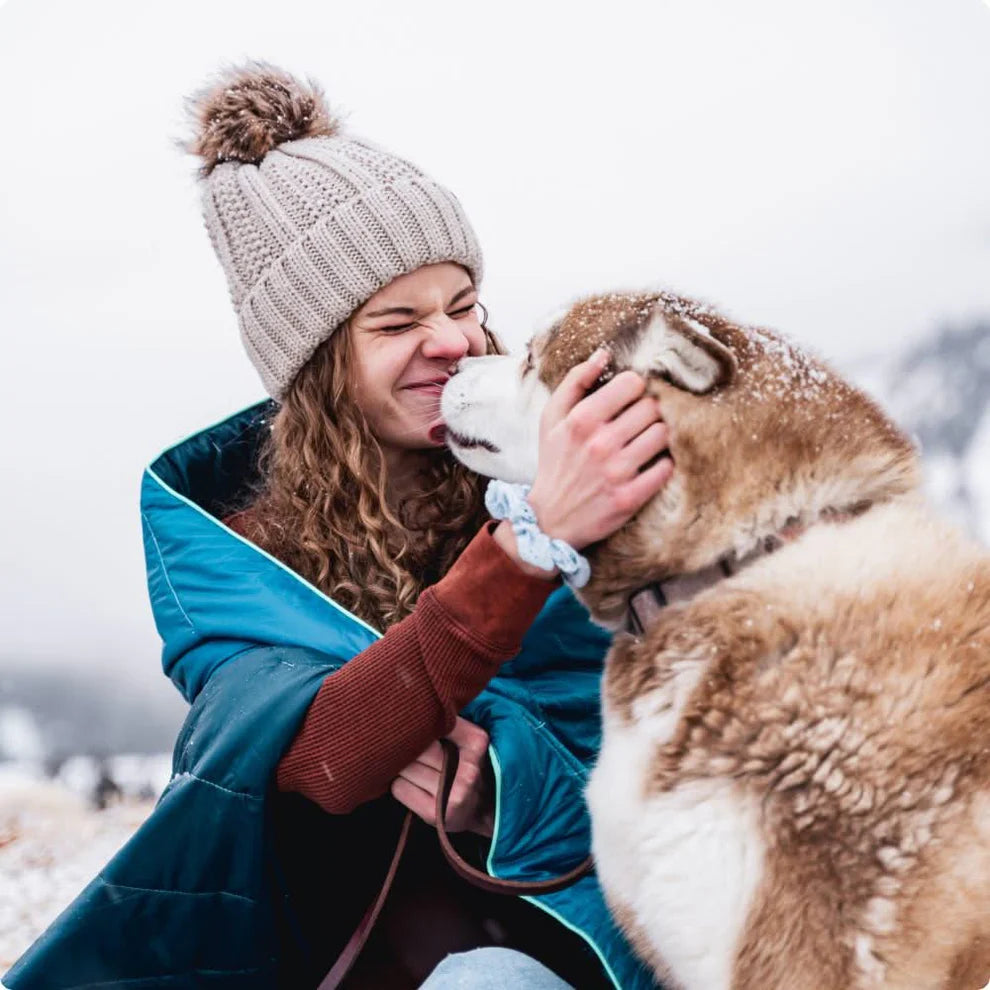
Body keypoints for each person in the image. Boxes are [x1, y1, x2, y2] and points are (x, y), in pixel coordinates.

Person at [3, 63, 672, 990]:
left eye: (464, 305)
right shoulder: (233, 553)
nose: (452, 342)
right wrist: (528, 547)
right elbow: (321, 756)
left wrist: (503, 798)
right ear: (319, 369)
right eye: (397, 322)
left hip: (599, 940)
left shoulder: (562, 472)